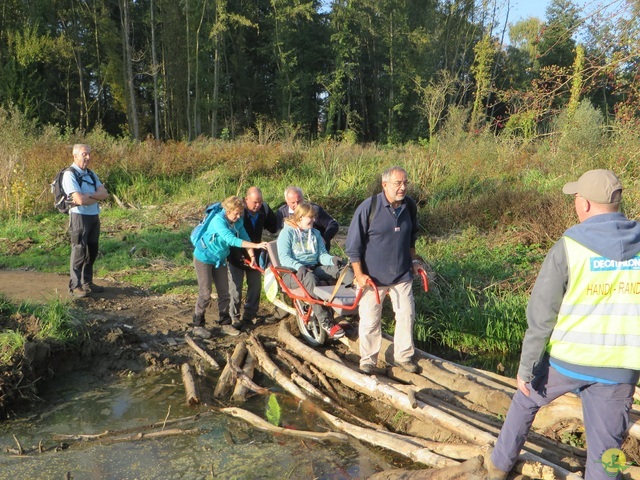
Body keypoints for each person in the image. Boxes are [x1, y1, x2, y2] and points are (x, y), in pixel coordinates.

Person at [488, 170, 640, 480]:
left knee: (525, 400)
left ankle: (498, 468)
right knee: (608, 449)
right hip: (621, 367)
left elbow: (542, 314)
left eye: (575, 199)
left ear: (584, 204)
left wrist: (527, 367)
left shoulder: (570, 246)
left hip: (567, 362)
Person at [345, 166, 421, 374]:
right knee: (370, 319)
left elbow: (411, 238)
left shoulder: (410, 207)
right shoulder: (369, 208)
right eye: (398, 183)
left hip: (401, 274)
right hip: (372, 277)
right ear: (384, 184)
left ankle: (403, 356)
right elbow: (353, 247)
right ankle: (368, 360)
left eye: (405, 182)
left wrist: (414, 261)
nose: (403, 187)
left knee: (406, 314)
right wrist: (359, 274)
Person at [192, 196, 268, 338]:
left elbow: (245, 237)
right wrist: (257, 245)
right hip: (204, 258)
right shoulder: (218, 221)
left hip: (220, 259)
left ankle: (225, 323)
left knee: (224, 292)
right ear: (228, 210)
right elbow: (231, 240)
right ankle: (197, 324)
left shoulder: (237, 221)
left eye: (240, 213)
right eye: (236, 213)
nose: (239, 216)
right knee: (205, 292)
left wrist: (252, 257)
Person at [277, 202, 353, 339]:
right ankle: (326, 322)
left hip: (313, 267)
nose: (313, 220)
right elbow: (284, 258)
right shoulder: (287, 233)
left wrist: (332, 260)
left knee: (345, 271)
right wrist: (298, 266)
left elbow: (321, 255)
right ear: (299, 218)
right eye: (310, 217)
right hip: (292, 272)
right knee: (311, 280)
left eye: (313, 217)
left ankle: (351, 310)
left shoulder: (315, 233)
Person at [62, 144, 109, 298]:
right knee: (79, 250)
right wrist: (94, 196)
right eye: (84, 154)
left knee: (92, 251)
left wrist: (89, 196)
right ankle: (75, 286)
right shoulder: (69, 174)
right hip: (79, 217)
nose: (88, 157)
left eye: (89, 154)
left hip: (94, 215)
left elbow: (105, 194)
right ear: (75, 156)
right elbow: (79, 200)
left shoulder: (90, 173)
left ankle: (88, 283)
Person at [227, 187, 278, 329]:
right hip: (235, 253)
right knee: (235, 288)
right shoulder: (238, 213)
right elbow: (231, 236)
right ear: (246, 199)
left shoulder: (263, 210)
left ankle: (249, 316)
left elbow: (273, 228)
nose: (258, 205)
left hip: (255, 253)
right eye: (255, 202)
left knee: (255, 287)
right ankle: (234, 317)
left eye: (260, 202)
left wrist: (270, 212)